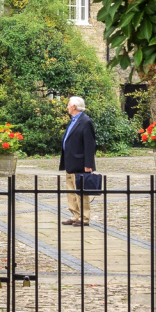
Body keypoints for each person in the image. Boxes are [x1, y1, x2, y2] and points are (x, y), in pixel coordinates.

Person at [59, 96, 96, 227]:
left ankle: (84, 218)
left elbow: (90, 145)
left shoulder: (85, 121)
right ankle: (75, 215)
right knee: (71, 190)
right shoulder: (73, 120)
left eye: (68, 104)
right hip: (70, 162)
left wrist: (88, 164)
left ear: (74, 106)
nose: (67, 107)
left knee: (81, 191)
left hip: (80, 163)